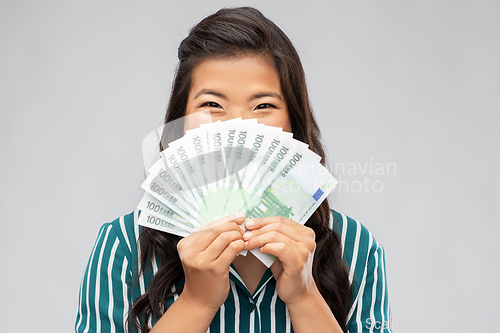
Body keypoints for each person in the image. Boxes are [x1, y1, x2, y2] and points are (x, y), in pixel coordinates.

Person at [75, 7, 392, 333]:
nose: (238, 129)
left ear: (293, 126)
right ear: (181, 123)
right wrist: (196, 302)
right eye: (212, 105)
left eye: (263, 106)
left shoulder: (355, 248)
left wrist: (304, 296)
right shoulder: (123, 246)